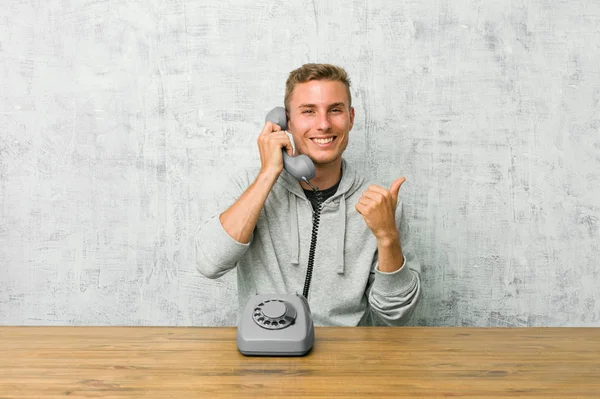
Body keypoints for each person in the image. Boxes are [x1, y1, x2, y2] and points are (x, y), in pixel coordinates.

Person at [195, 63, 421, 326]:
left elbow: (397, 316)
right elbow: (209, 264)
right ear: (285, 123)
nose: (323, 124)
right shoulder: (251, 186)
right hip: (268, 354)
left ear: (351, 118)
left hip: (347, 361)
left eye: (335, 110)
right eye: (309, 112)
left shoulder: (380, 203)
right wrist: (268, 175)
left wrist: (387, 237)